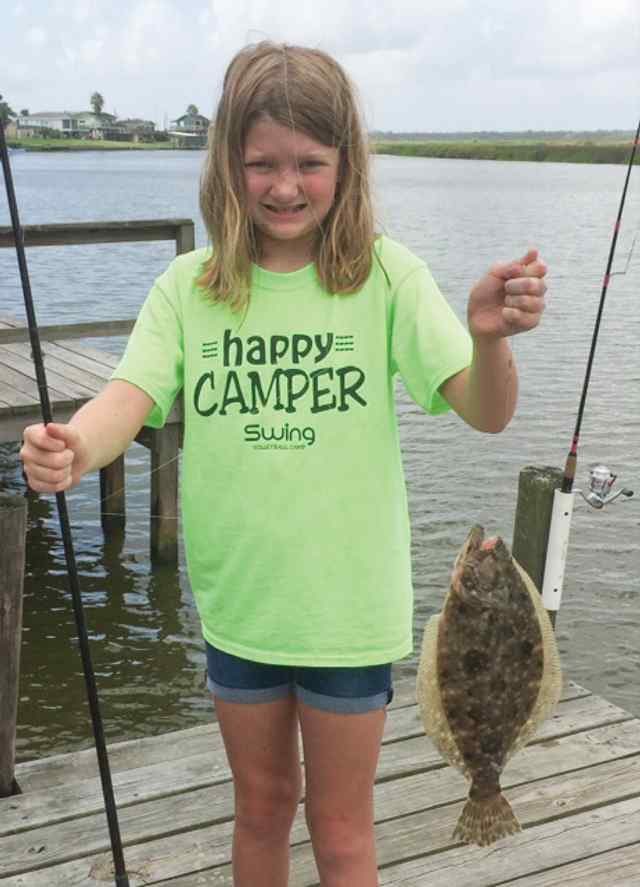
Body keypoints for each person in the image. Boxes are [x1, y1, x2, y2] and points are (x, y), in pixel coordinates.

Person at [20, 41, 547, 887]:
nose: (285, 186)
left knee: (342, 832)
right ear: (227, 164)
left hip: (347, 614)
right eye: (261, 163)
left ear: (347, 165)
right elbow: (127, 396)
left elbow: (487, 412)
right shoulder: (190, 288)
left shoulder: (387, 276)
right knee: (261, 809)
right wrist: (75, 446)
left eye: (309, 163)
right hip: (243, 608)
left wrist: (488, 339)